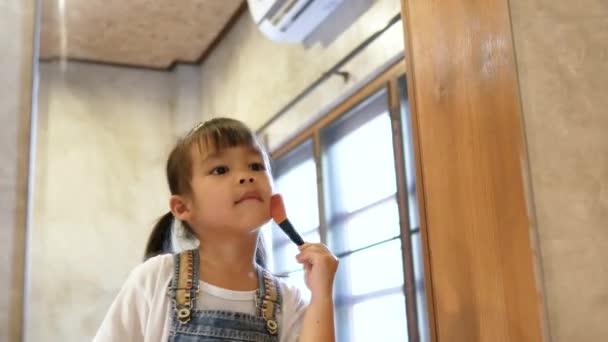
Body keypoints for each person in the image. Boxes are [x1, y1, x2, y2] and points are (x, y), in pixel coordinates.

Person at [93, 117, 338, 342]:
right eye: (220, 170)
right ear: (182, 207)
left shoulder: (288, 299)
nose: (246, 176)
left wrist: (322, 294)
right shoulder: (156, 278)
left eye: (255, 166)